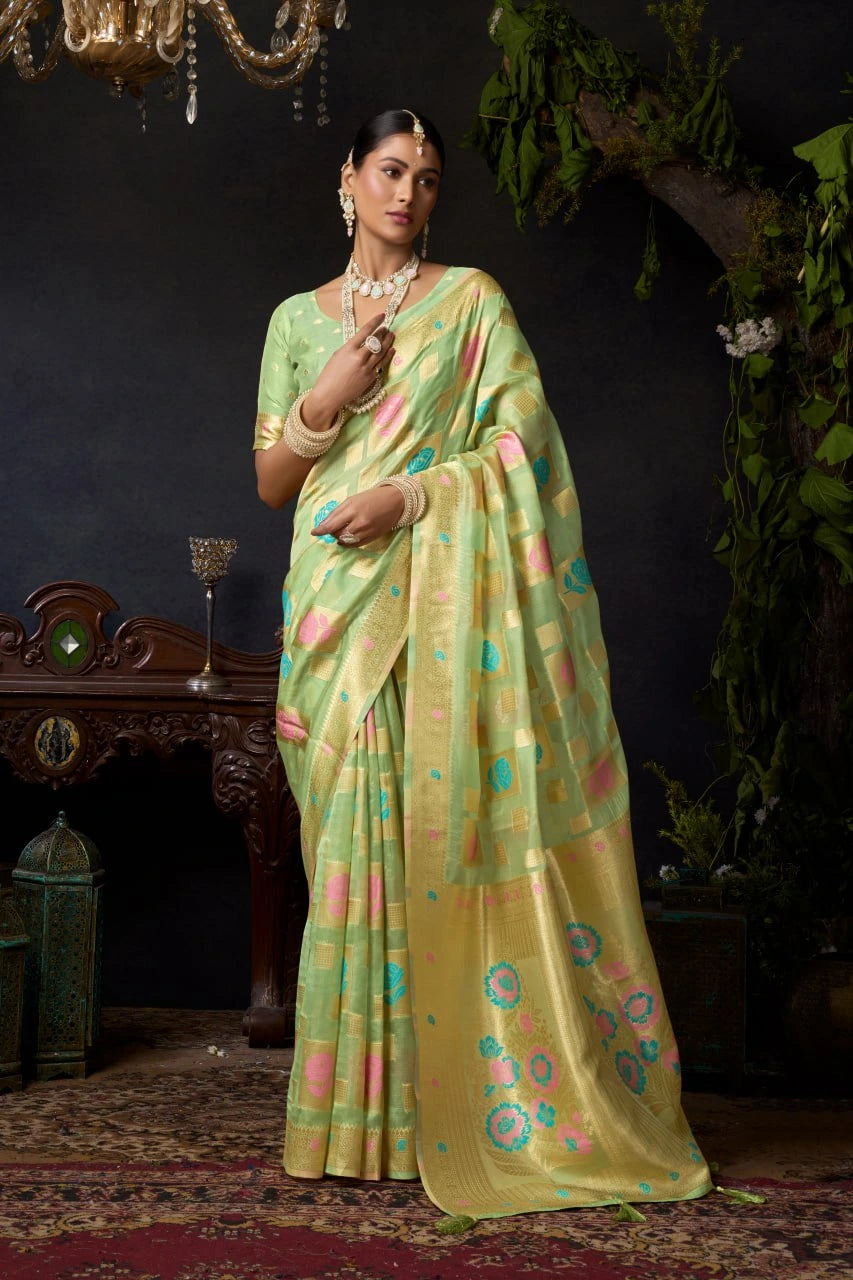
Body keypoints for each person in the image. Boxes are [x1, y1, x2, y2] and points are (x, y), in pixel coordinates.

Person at [252, 107, 720, 1226]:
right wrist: (337, 397)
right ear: (348, 181)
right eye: (389, 170)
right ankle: (345, 1122)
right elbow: (273, 479)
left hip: (436, 606)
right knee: (351, 857)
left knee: (433, 839)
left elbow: (521, 452)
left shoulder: (472, 307)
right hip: (330, 609)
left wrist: (410, 495)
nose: (408, 193)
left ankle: (439, 1114)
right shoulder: (293, 321)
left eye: (426, 177)